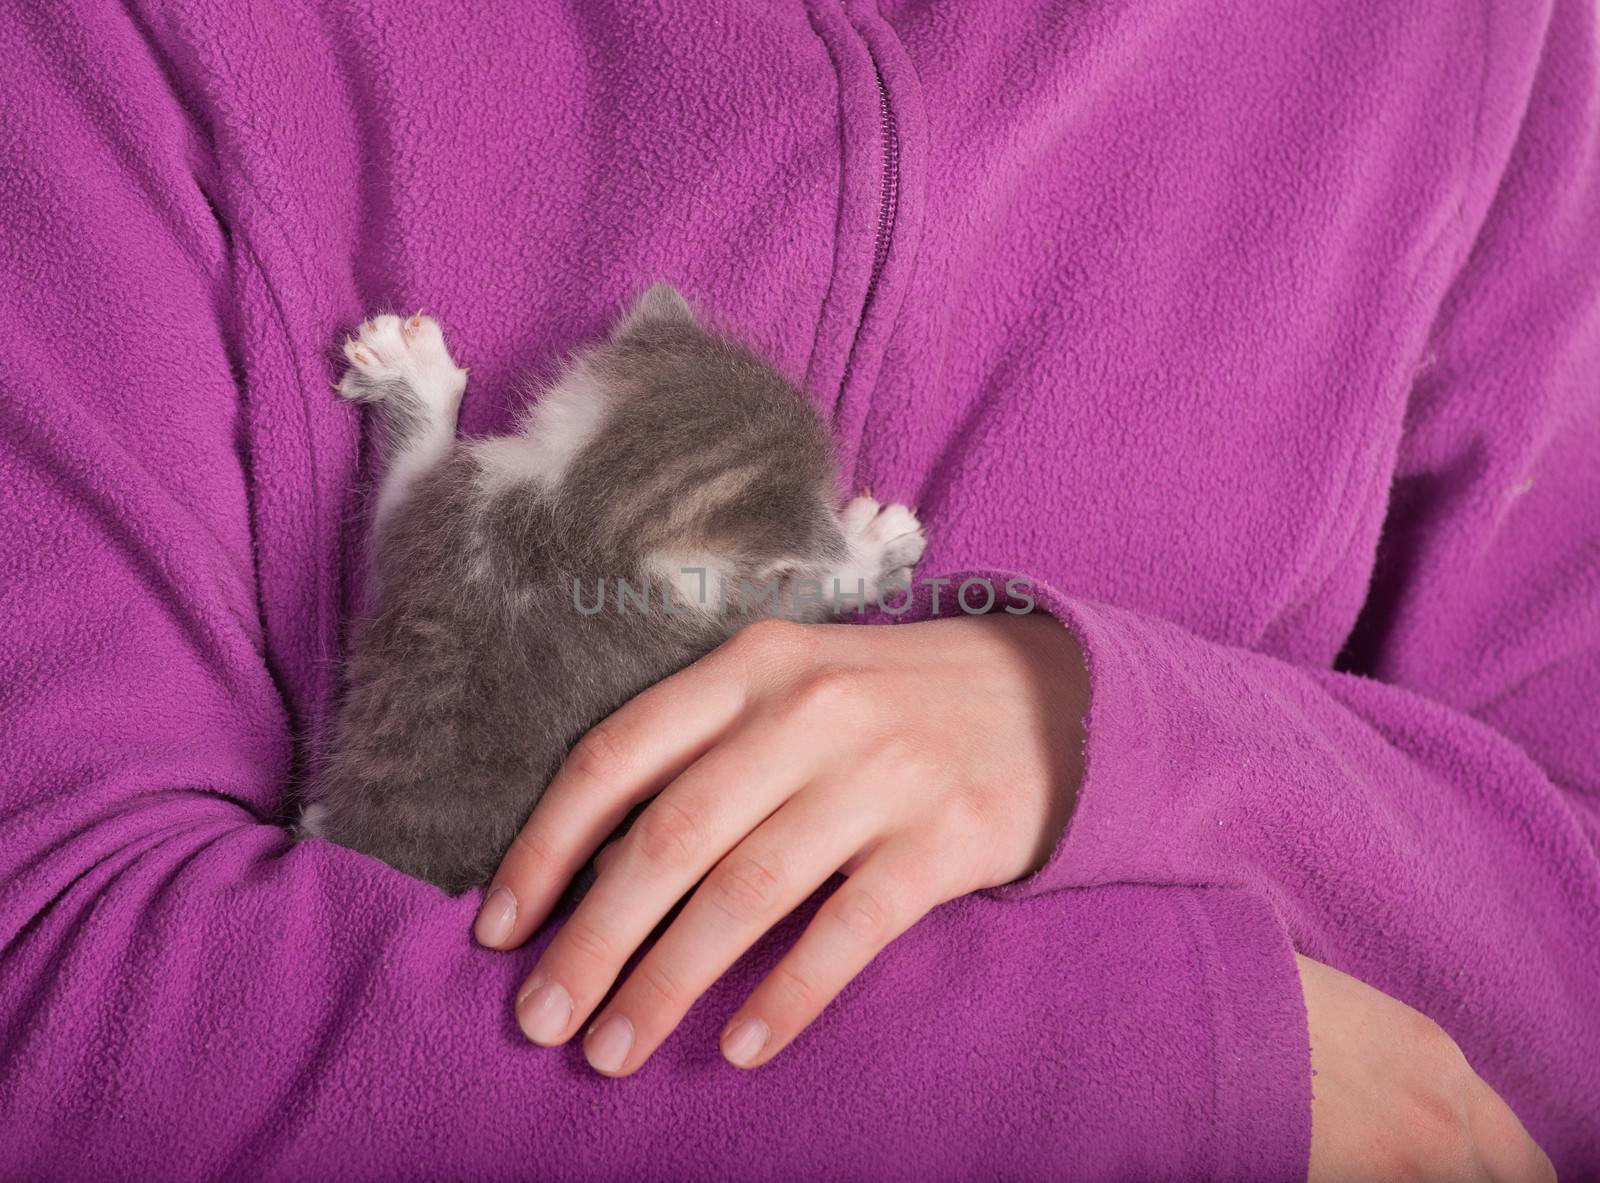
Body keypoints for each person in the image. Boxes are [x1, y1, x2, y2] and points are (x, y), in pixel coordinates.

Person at [0, 1, 1591, 1179]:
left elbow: (1567, 927)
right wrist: (1160, 1069)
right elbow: (57, 985)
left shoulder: (1474, 47)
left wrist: (1097, 735)